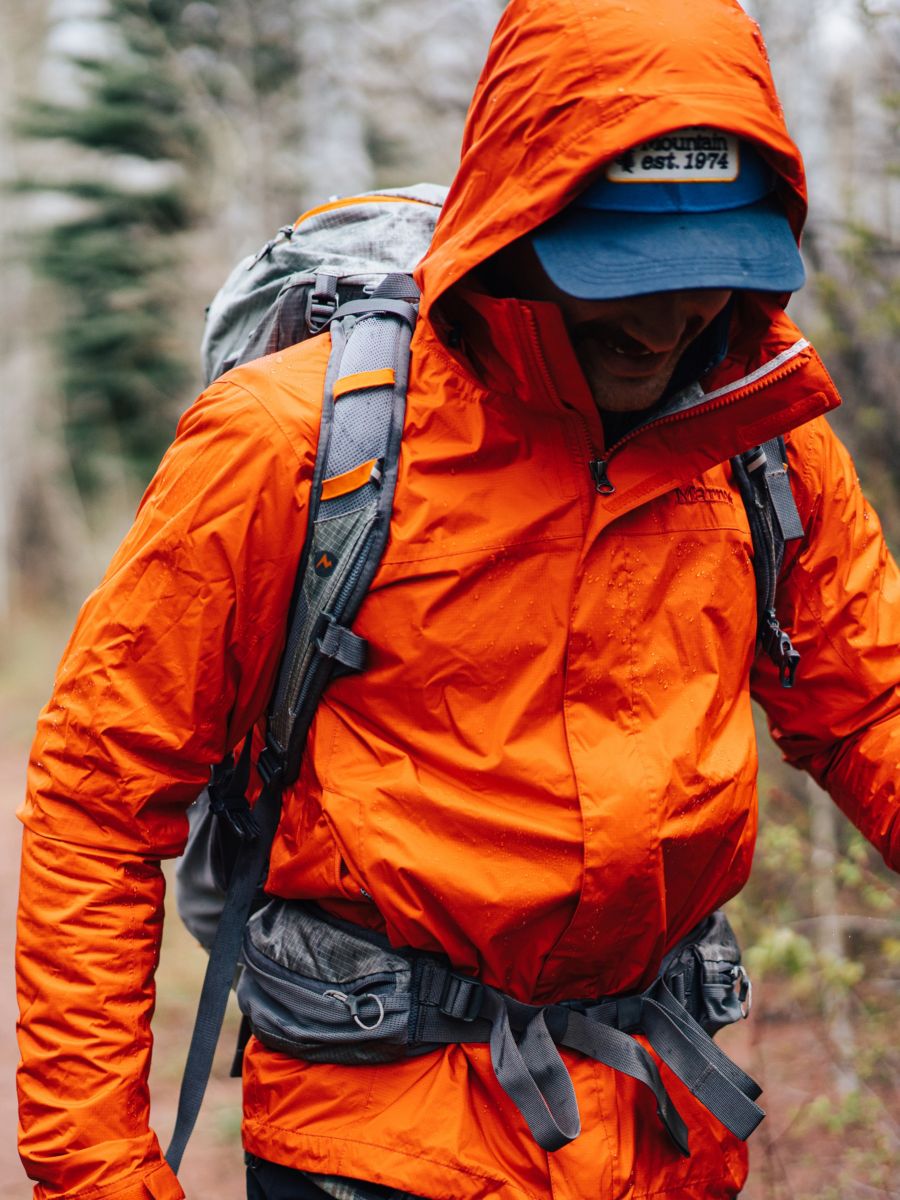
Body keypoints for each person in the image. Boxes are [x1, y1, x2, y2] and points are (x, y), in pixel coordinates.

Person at [16, 1, 900, 1198]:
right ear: (512, 225)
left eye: (706, 276)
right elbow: (100, 797)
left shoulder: (761, 445)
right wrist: (99, 1172)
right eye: (621, 273)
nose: (665, 318)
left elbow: (867, 708)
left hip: (661, 1131)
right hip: (372, 1143)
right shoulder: (293, 442)